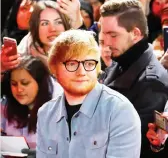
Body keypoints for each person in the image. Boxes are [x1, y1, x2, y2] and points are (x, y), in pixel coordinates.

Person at [36, 29, 141, 157]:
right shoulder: (45, 114)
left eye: (89, 63)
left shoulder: (120, 111)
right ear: (54, 69)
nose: (81, 72)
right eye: (72, 64)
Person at [100, 0, 168, 158]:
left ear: (135, 34)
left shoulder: (152, 83)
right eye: (104, 34)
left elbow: (140, 144)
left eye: (113, 35)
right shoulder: (121, 61)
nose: (106, 42)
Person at [1, 0, 83, 72]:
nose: (52, 29)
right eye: (45, 23)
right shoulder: (26, 46)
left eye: (58, 22)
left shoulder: (78, 47)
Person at [1, 56, 53, 149]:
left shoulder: (55, 111)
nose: (19, 89)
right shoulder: (4, 106)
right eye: (14, 84)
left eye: (25, 83)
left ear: (40, 84)